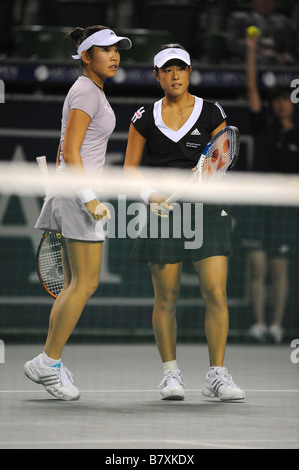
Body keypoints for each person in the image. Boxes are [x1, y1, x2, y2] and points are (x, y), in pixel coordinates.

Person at [124, 44, 245, 401]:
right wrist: (151, 196)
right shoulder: (143, 117)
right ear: (157, 75)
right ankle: (171, 375)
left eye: (181, 69)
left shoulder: (212, 112)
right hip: (164, 214)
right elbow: (129, 171)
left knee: (215, 292)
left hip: (207, 211)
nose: (175, 75)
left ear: (189, 72)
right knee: (166, 298)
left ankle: (217, 376)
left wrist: (204, 180)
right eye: (167, 70)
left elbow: (220, 159)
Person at [24, 25, 132, 400]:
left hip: (68, 192)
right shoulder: (86, 91)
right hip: (77, 195)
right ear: (86, 56)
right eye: (105, 50)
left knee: (73, 286)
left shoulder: (90, 90)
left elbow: (69, 150)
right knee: (85, 284)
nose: (115, 55)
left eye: (117, 49)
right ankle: (48, 360)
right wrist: (89, 199)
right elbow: (71, 151)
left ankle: (50, 363)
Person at [244, 29, 299, 343]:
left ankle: (276, 326)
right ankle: (258, 324)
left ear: (291, 104)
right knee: (256, 267)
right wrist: (251, 49)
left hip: (284, 209)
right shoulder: (262, 123)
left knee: (279, 270)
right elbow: (251, 85)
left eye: (284, 101)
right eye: (276, 101)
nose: (280, 105)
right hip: (256, 205)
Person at [226, 0, 297, 65]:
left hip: (276, 67)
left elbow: (291, 49)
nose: (265, 2)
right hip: (245, 64)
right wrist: (259, 50)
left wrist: (285, 58)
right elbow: (233, 43)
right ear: (253, 2)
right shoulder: (238, 19)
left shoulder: (284, 23)